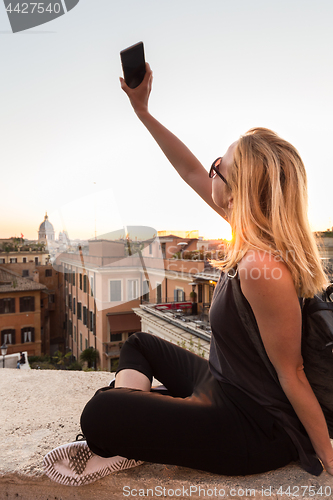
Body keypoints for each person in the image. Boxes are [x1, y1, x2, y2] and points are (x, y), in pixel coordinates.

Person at [43, 63, 333, 486]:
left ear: (237, 190)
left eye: (220, 165)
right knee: (140, 344)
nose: (210, 170)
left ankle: (133, 430)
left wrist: (327, 455)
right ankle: (144, 424)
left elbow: (293, 372)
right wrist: (143, 112)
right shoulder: (250, 232)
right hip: (222, 384)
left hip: (252, 426)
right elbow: (189, 170)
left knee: (100, 415)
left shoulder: (261, 267)